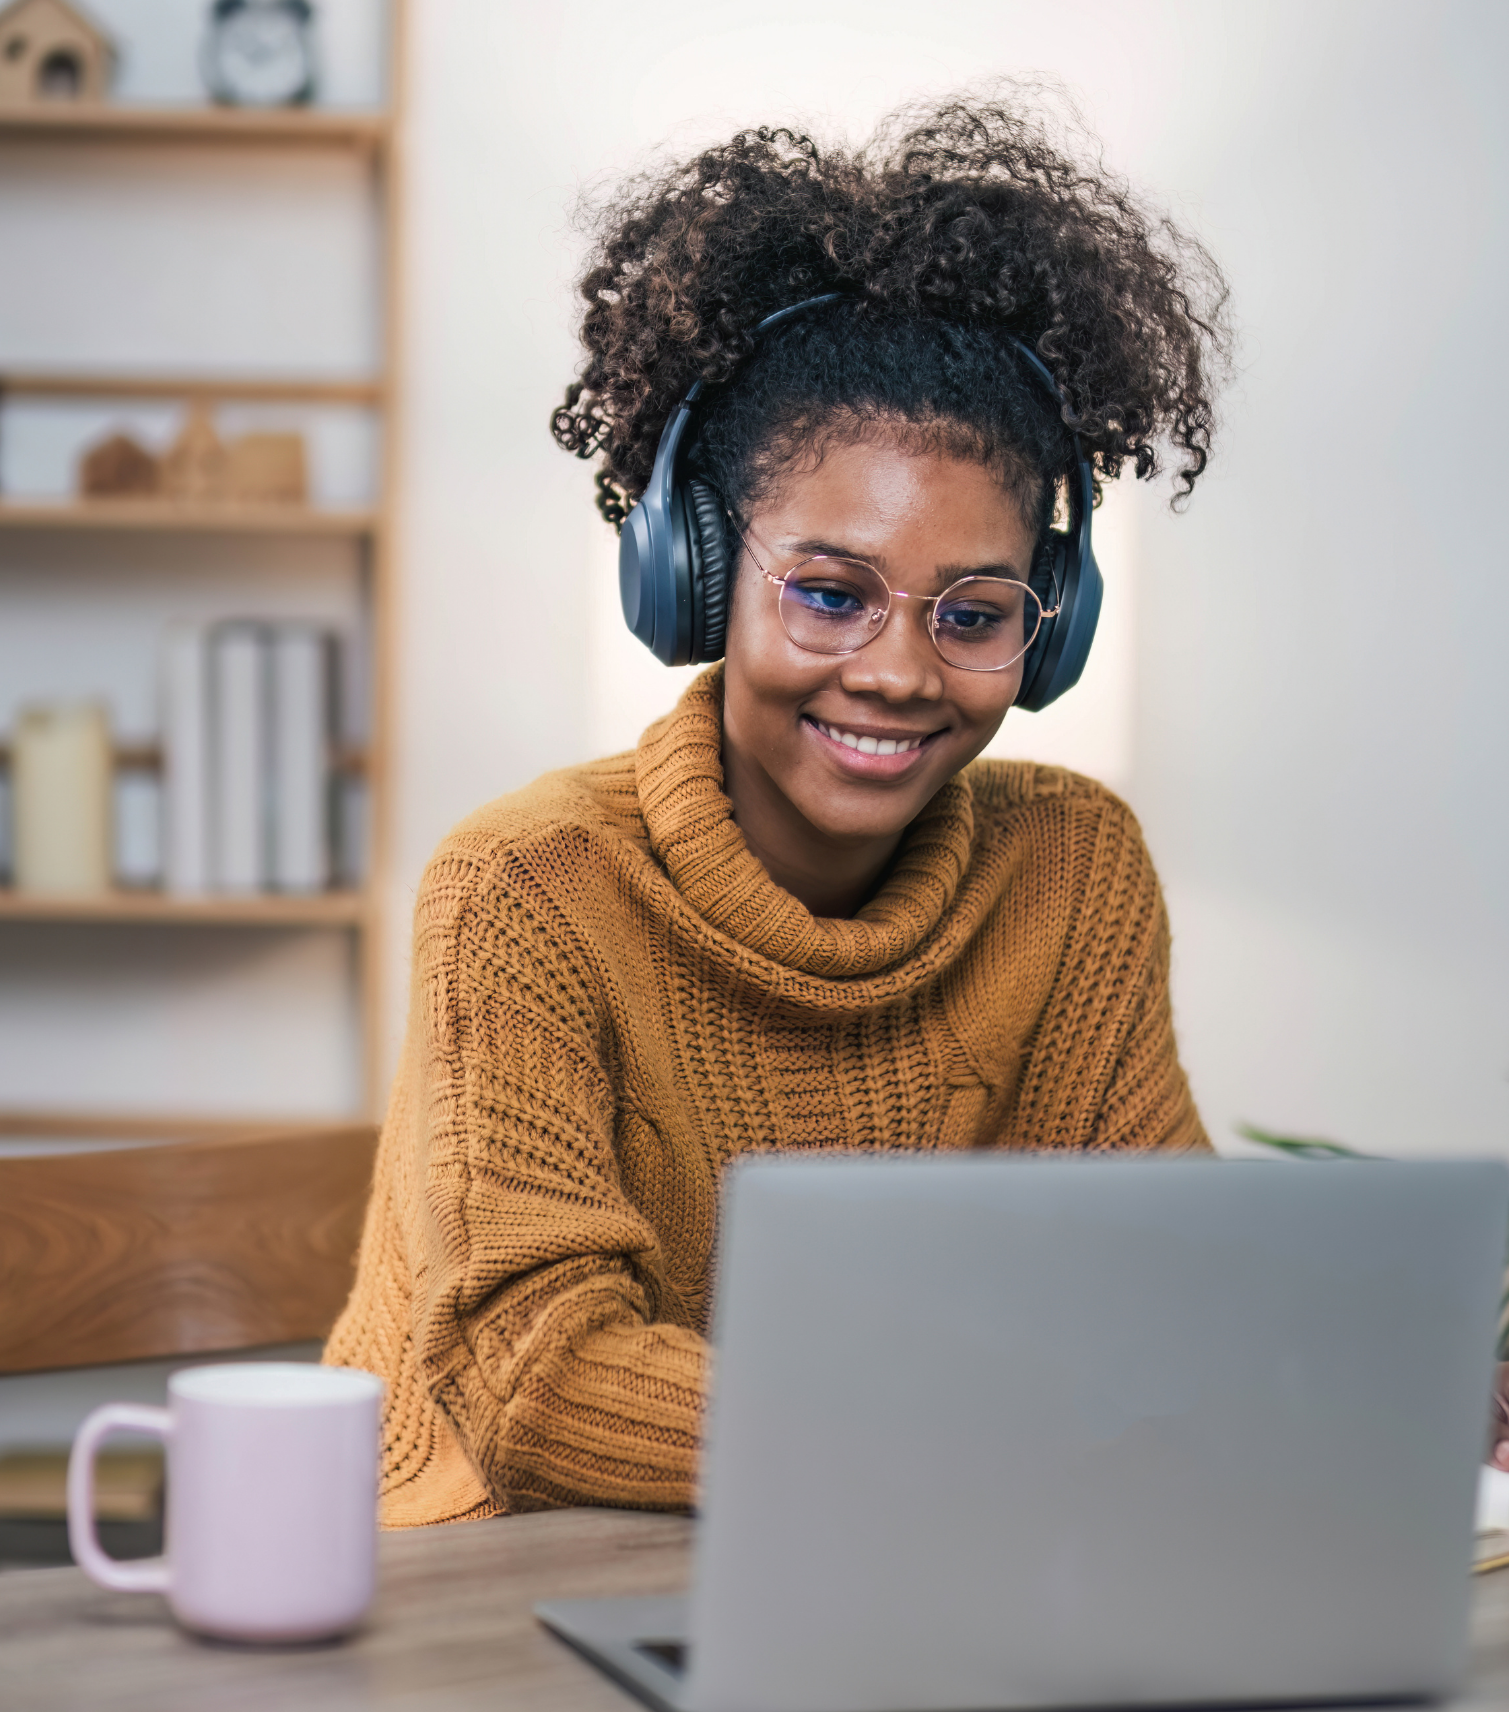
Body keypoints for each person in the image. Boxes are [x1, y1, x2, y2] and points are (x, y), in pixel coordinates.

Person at [324, 90, 1236, 1526]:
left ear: (1048, 633)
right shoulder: (523, 889)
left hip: (909, 1561)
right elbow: (544, 1383)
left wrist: (1403, 1381)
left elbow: (1171, 1284)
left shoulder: (1076, 869)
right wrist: (992, 1429)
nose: (897, 671)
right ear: (690, 572)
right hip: (498, 1586)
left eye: (976, 611)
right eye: (828, 590)